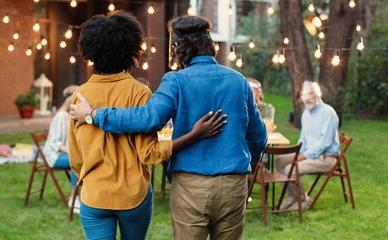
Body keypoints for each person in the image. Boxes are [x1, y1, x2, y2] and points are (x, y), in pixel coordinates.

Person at [70, 15, 267, 240]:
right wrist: (245, 165)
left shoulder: (176, 81)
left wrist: (94, 114)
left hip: (190, 185)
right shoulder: (239, 81)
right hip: (234, 183)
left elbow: (148, 118)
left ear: (178, 49)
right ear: (209, 43)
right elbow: (259, 137)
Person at [275, 80, 339, 210]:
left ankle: (303, 199)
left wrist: (304, 156)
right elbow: (303, 138)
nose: (307, 98)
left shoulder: (328, 112)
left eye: (310, 94)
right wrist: (299, 152)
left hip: (326, 158)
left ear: (318, 94)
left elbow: (325, 142)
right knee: (280, 161)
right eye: (304, 95)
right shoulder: (306, 113)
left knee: (290, 170)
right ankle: (293, 196)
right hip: (308, 154)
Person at [42, 86, 78, 211]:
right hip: (53, 156)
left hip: (65, 155)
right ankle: (74, 199)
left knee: (82, 159)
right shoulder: (60, 116)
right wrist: (71, 151)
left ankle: (81, 196)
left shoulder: (72, 117)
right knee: (76, 160)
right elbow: (54, 142)